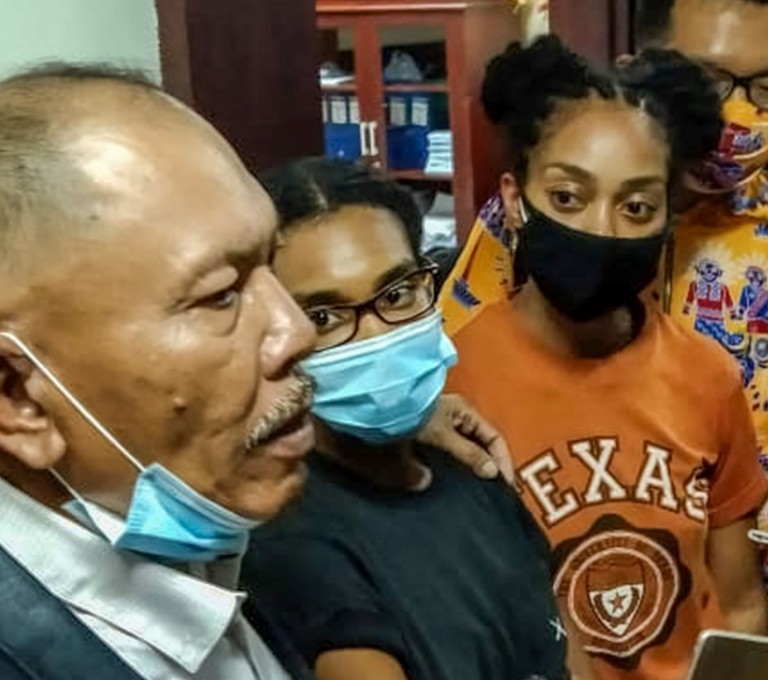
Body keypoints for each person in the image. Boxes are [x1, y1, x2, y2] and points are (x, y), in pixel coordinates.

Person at [0, 64, 515, 680]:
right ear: (18, 399)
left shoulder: (206, 535)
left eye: (269, 266)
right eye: (221, 296)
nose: (296, 331)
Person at [439, 0, 768, 637]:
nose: (738, 111)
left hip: (731, 623)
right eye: (708, 80)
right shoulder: (528, 223)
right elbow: (448, 386)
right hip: (537, 615)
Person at [446, 36, 768, 680]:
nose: (601, 228)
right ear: (514, 200)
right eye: (568, 197)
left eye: (636, 207)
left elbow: (739, 606)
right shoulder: (450, 383)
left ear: (668, 219)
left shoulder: (706, 377)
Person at [241, 159, 583, 680]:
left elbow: (562, 652)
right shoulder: (297, 543)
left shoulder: (467, 464)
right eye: (325, 318)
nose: (377, 336)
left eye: (397, 293)